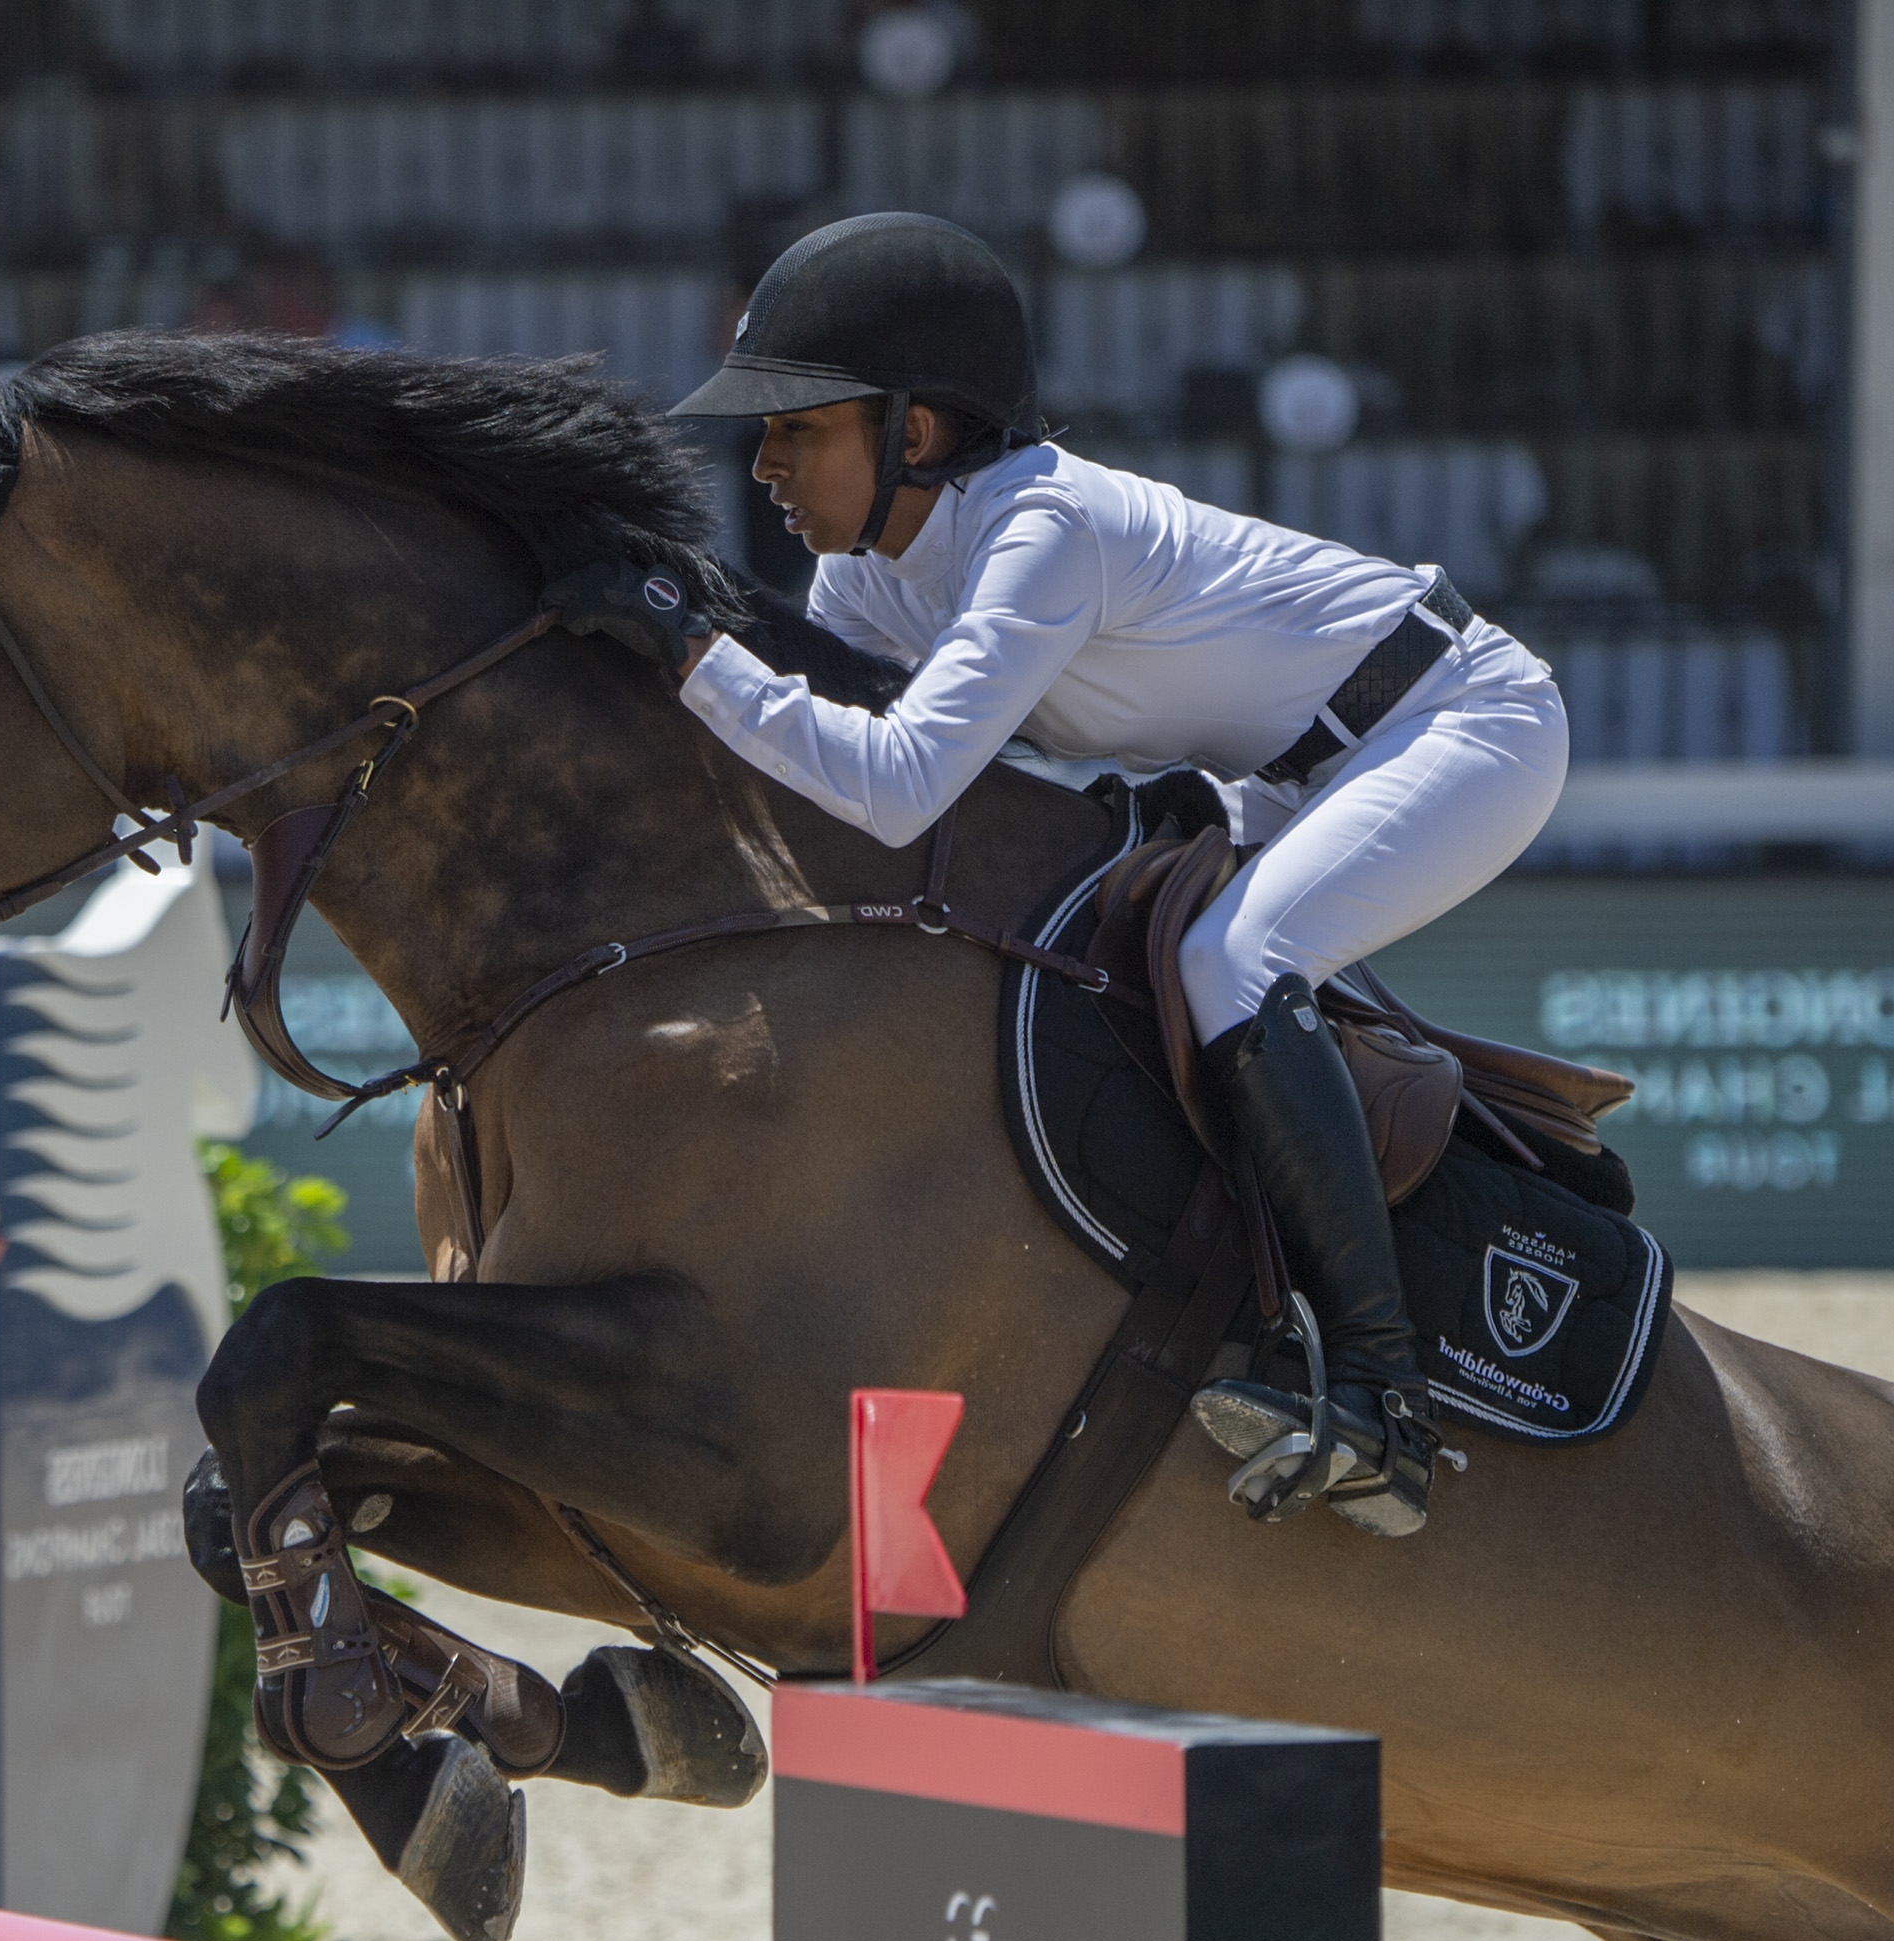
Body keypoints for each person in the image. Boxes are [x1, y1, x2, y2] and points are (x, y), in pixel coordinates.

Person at [548, 213, 1572, 1536]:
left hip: (1458, 718)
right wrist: (656, 640)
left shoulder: (1045, 526)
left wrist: (688, 649)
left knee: (1236, 960)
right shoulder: (866, 573)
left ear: (914, 432)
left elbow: (896, 779)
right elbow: (823, 746)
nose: (765, 463)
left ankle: (1383, 1396)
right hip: (1287, 772)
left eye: (798, 427)